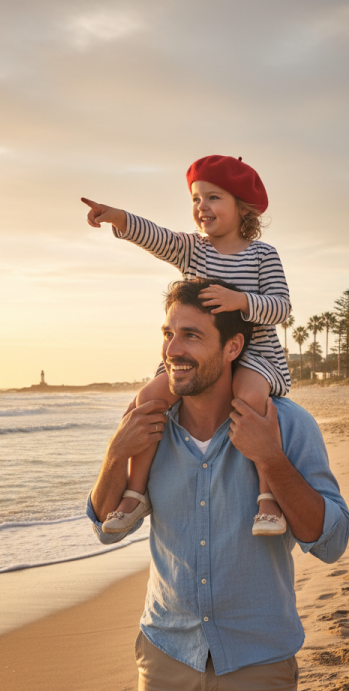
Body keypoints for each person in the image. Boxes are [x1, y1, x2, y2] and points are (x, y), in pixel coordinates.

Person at [87, 278, 349, 691]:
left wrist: (271, 457)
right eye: (168, 334)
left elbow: (331, 540)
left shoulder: (289, 425)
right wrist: (114, 454)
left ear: (233, 347)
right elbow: (103, 522)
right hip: (166, 653)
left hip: (258, 661)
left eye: (190, 336)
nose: (172, 349)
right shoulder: (147, 424)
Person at [82, 155, 291, 536]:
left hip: (255, 354)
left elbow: (282, 306)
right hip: (195, 356)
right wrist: (119, 217)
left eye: (213, 198)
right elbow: (157, 236)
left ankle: (268, 499)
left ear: (243, 209)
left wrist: (240, 301)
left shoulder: (264, 255)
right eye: (196, 199)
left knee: (251, 399)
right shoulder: (193, 249)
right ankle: (135, 492)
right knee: (147, 399)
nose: (202, 207)